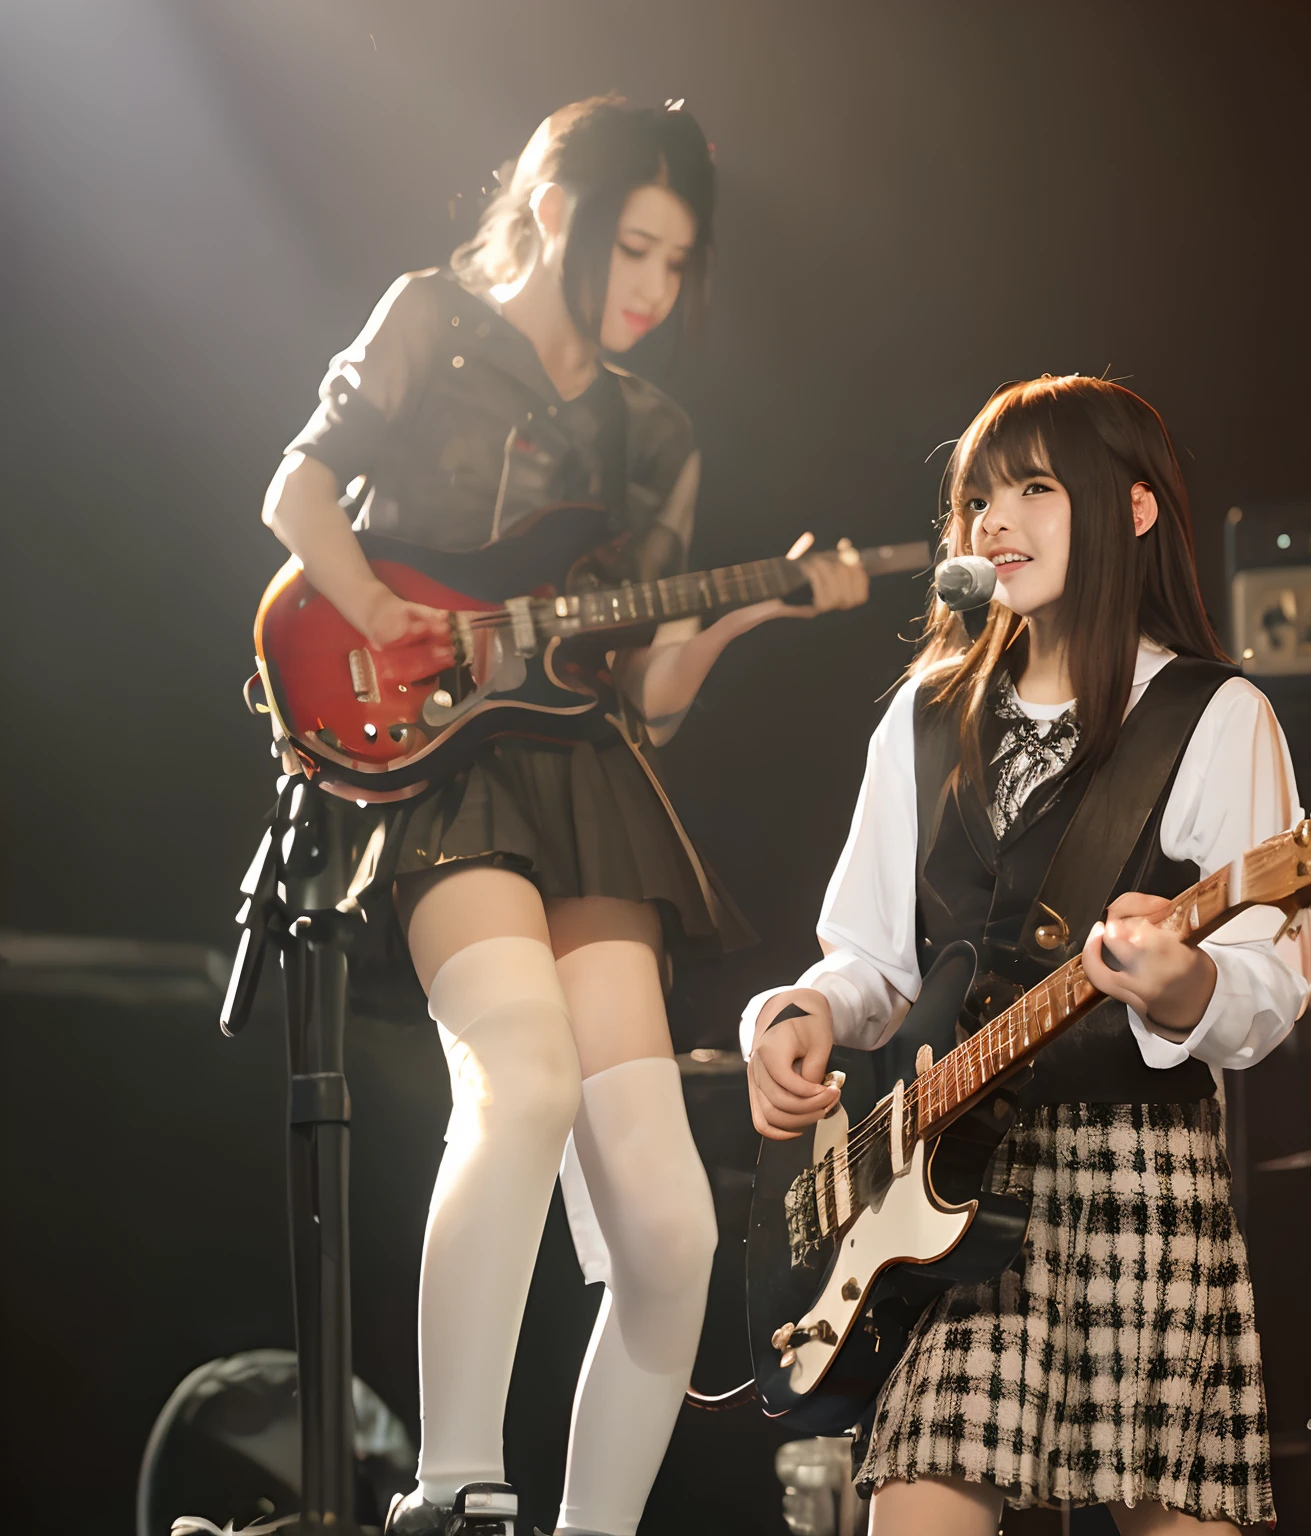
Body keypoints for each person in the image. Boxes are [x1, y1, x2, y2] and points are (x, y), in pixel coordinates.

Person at [258, 97, 867, 1536]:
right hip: (437, 759)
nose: (654, 290)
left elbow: (646, 695)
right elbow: (296, 490)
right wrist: (381, 618)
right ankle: (453, 1494)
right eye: (633, 250)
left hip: (588, 775)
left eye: (677, 262)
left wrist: (750, 609)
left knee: (673, 1228)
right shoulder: (430, 321)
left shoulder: (653, 433)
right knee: (520, 1078)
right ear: (551, 213)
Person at [742, 375, 1311, 1534]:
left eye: (1034, 490)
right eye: (977, 501)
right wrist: (799, 1012)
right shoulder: (920, 716)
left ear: (1136, 509)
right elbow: (870, 957)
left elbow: (1269, 982)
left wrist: (1185, 983)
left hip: (1138, 1182)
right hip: (941, 1186)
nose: (992, 523)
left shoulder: (1214, 714)